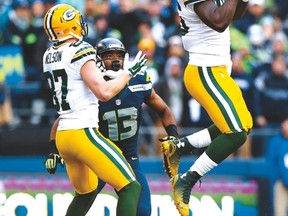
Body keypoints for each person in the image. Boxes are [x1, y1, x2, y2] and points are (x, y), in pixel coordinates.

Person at [42, 4, 147, 216]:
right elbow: (105, 93)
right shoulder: (81, 49)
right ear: (69, 24)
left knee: (86, 194)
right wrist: (129, 73)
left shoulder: (49, 55)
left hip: (64, 136)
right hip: (83, 133)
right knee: (131, 186)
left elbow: (79, 81)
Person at [159, 0, 253, 215]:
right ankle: (187, 180)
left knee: (243, 125)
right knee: (236, 133)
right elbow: (218, 22)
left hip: (217, 69)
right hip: (204, 70)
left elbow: (232, 16)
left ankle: (180, 147)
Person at [95, 37, 179, 215]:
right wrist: (55, 148)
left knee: (143, 210)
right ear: (99, 59)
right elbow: (64, 118)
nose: (115, 59)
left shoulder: (138, 80)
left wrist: (174, 136)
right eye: (109, 55)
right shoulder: (92, 85)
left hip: (128, 157)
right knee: (83, 200)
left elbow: (164, 110)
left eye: (119, 55)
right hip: (97, 156)